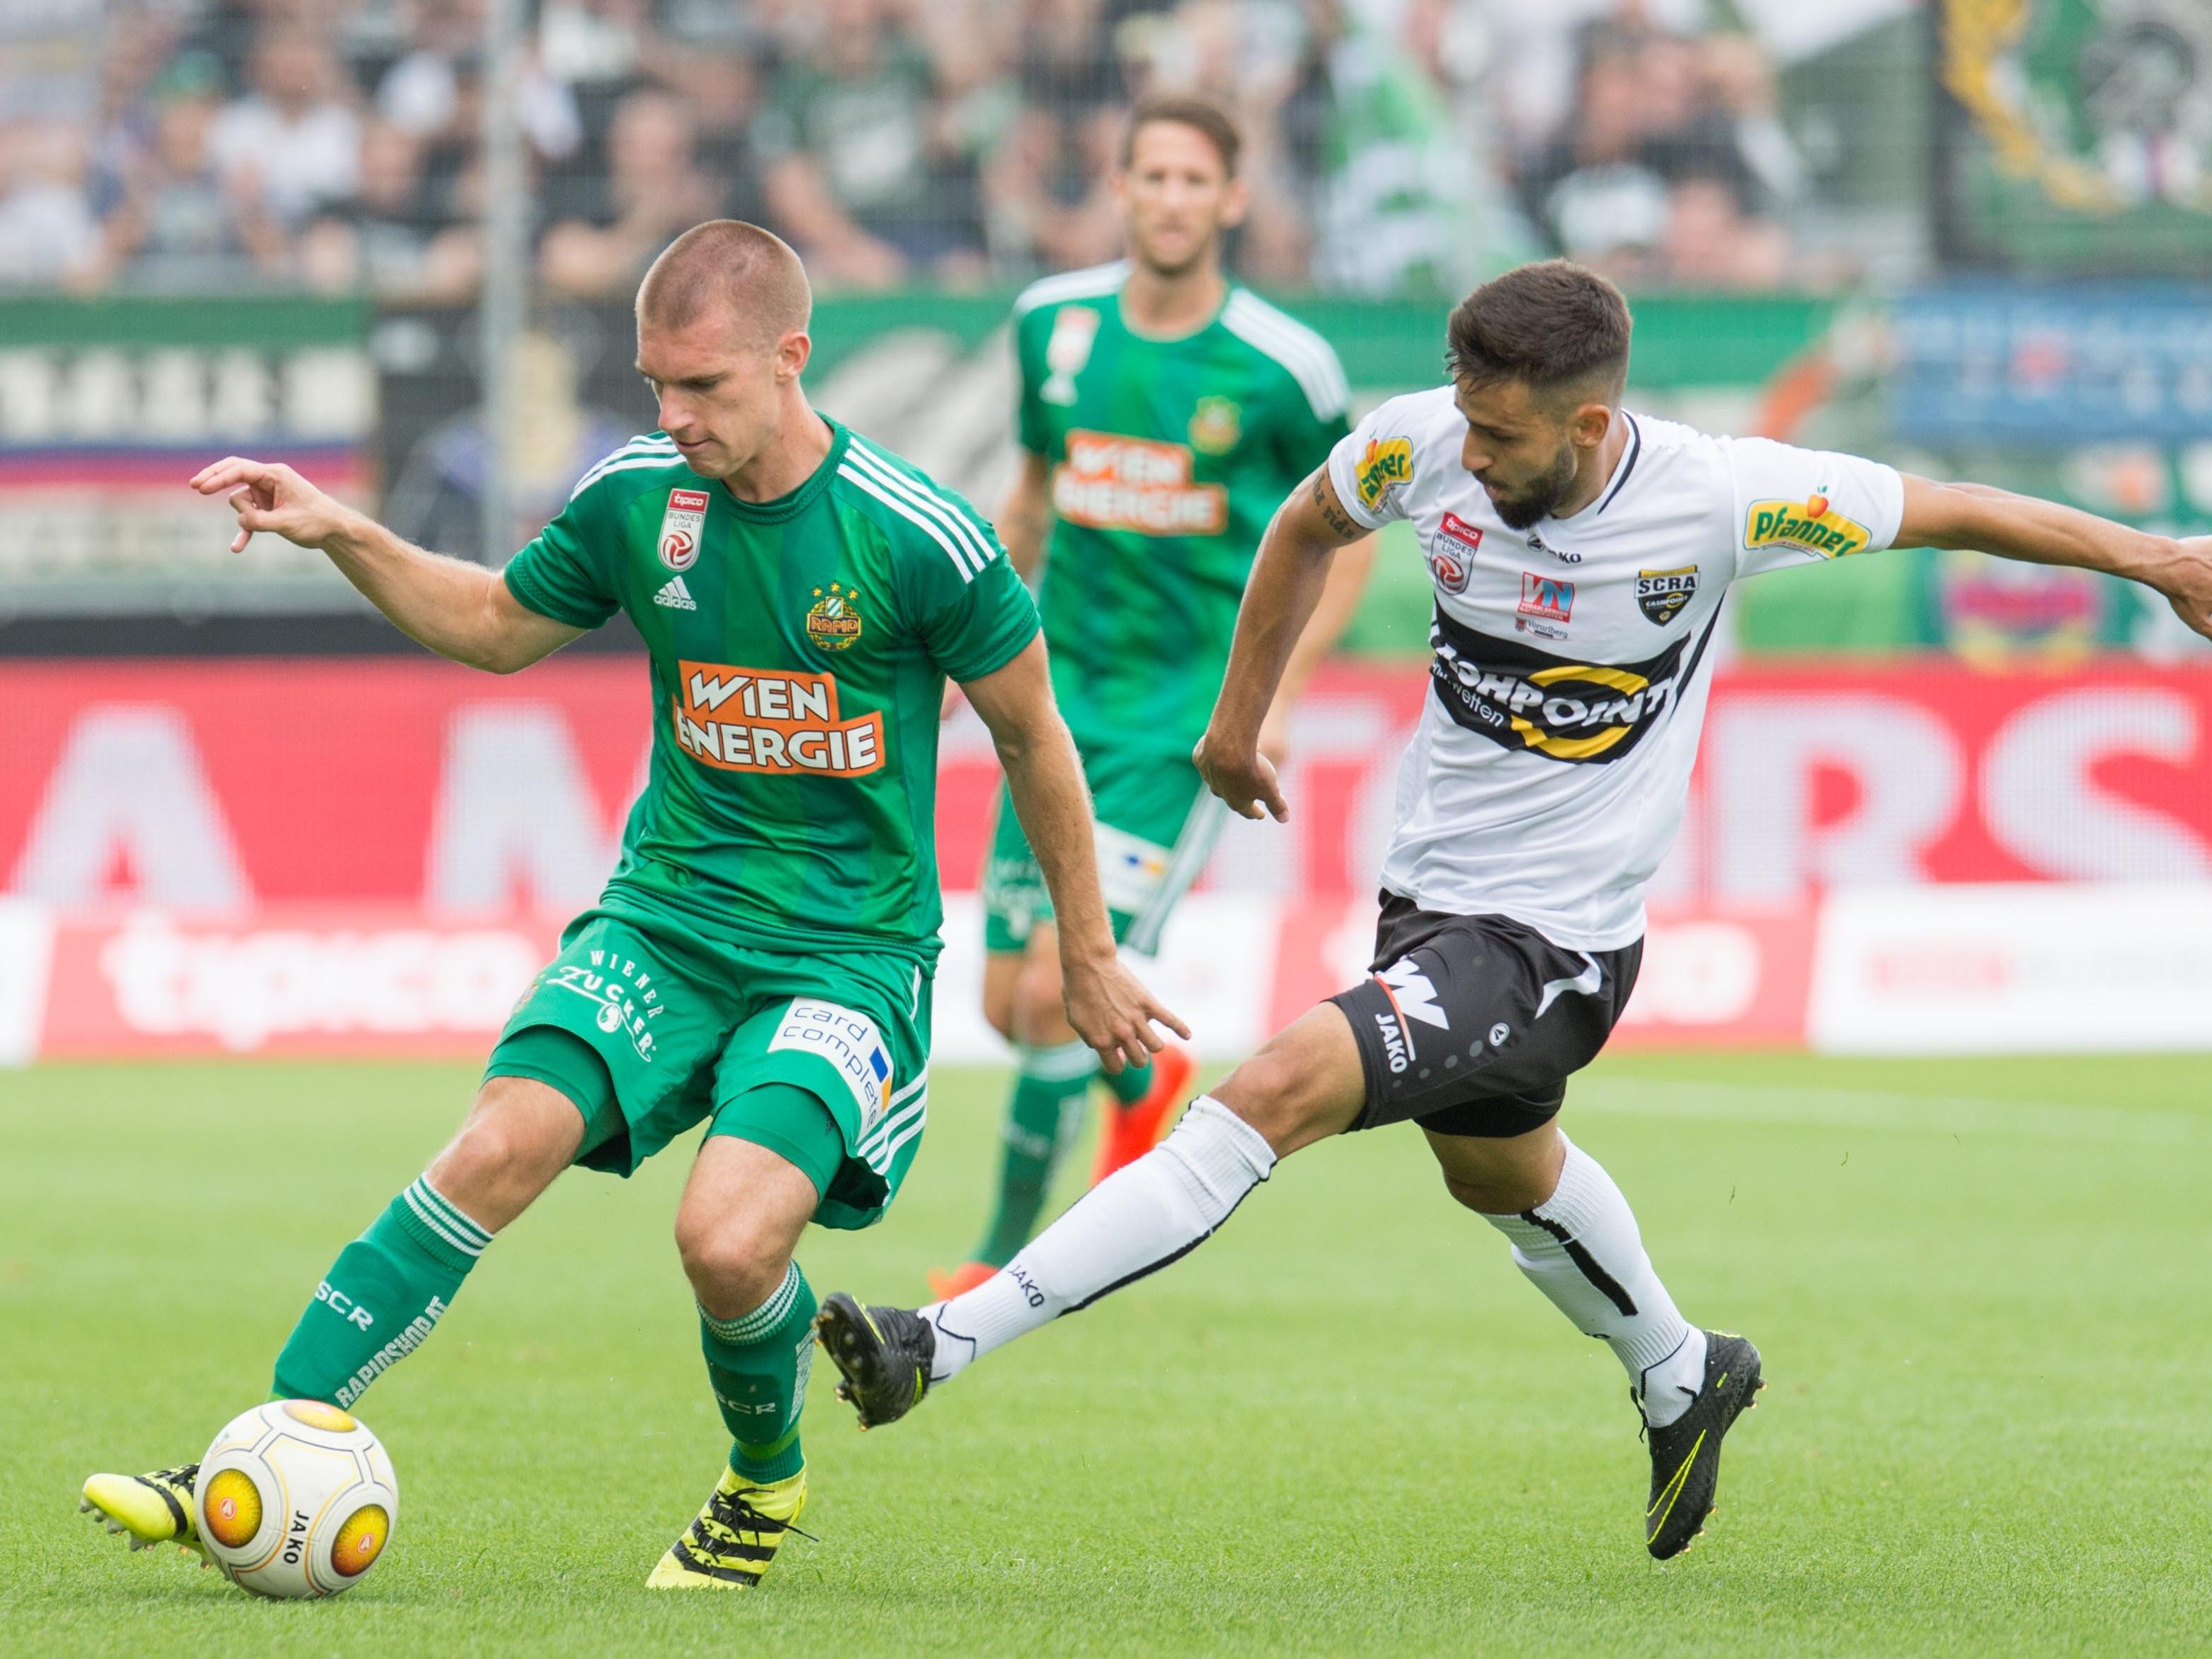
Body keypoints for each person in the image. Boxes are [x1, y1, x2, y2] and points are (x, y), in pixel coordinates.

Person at [815, 258, 2212, 1559]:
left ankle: (940, 1340)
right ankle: (1682, 1368)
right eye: (1466, 422)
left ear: (1589, 423)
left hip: (1554, 942)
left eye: (1501, 436)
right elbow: (1304, 524)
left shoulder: (1724, 497)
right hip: (1427, 903)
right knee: (1494, 1170)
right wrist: (1238, 722)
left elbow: (1952, 506)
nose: (1471, 456)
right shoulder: (1422, 442)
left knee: (1268, 1092)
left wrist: (2157, 560)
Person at [78, 220, 1183, 1592]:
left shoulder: (917, 534)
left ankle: (764, 1477)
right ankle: (250, 1455)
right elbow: (496, 625)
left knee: (724, 1240)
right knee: (496, 1143)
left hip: (845, 953)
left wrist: (1087, 951)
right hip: (663, 918)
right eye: (657, 383)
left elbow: (1034, 736)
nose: (674, 414)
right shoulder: (635, 497)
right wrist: (342, 531)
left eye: (702, 385)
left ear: (791, 357)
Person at [930, 94, 1373, 1302]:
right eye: (1153, 176)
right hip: (1051, 709)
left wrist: (1273, 696)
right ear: (1119, 189)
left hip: (1181, 722)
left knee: (1053, 989)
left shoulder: (1282, 365)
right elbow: (1033, 495)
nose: (1172, 199)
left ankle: (996, 1258)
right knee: (1003, 999)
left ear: (1231, 200)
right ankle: (1147, 1079)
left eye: (1195, 179)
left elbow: (1350, 538)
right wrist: (968, 649)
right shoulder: (1052, 324)